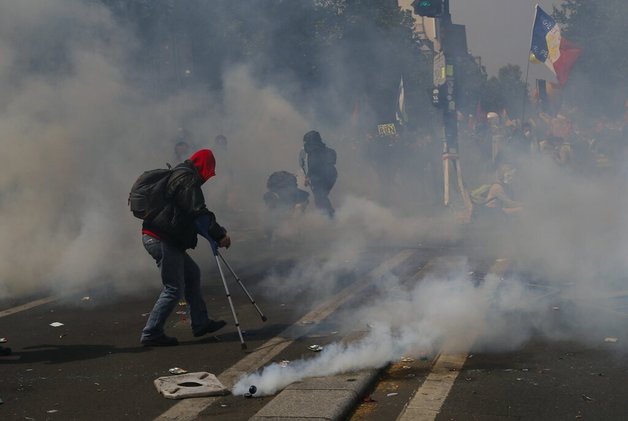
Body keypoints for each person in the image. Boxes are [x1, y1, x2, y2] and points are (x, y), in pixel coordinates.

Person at [139, 149, 231, 347]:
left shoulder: (182, 176)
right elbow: (197, 212)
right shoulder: (186, 179)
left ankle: (200, 323)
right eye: (208, 171)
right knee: (173, 288)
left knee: (192, 274)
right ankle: (151, 333)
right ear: (203, 167)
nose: (207, 177)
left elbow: (188, 216)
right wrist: (219, 234)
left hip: (163, 238)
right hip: (161, 239)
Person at [298, 130, 337, 218]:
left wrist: (308, 176)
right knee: (321, 197)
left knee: (320, 197)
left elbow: (314, 164)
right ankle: (327, 215)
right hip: (332, 173)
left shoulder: (314, 151)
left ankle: (330, 217)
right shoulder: (327, 150)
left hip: (320, 175)